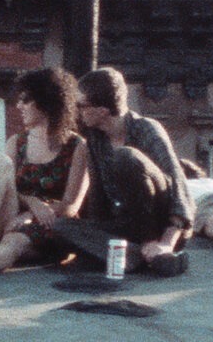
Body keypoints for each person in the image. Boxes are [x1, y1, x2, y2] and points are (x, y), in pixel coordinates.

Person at [0, 68, 89, 281]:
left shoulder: (77, 146)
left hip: (49, 227)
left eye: (26, 100)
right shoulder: (17, 142)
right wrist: (32, 202)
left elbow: (71, 206)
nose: (19, 106)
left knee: (14, 242)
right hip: (9, 219)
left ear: (47, 103)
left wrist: (30, 215)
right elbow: (10, 187)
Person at [52, 67, 195, 277]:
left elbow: (179, 190)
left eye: (81, 106)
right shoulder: (95, 139)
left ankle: (159, 252)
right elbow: (98, 197)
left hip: (163, 226)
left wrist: (165, 242)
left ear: (103, 110)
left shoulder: (147, 129)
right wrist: (94, 233)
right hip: (128, 226)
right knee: (60, 227)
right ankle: (137, 257)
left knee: (126, 157)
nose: (77, 112)